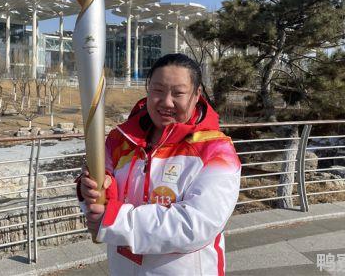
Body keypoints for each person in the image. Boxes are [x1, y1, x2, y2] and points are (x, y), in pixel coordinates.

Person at [76, 53, 241, 275]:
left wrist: (114, 220)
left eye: (178, 93)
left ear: (196, 95)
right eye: (158, 90)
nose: (166, 102)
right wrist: (93, 190)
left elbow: (196, 225)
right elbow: (99, 196)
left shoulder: (216, 150)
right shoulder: (119, 140)